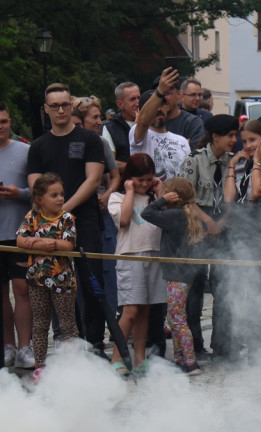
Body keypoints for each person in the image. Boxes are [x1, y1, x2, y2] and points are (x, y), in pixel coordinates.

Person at [27, 83, 108, 356]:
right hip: (50, 226)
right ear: (46, 109)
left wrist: (65, 211)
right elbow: (35, 185)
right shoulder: (38, 146)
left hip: (84, 220)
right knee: (60, 286)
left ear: (71, 106)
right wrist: (54, 216)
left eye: (65, 105)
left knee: (92, 283)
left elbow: (93, 180)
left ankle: (95, 343)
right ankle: (71, 342)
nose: (61, 110)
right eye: (55, 106)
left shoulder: (90, 139)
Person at [180, 113, 239, 360]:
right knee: (194, 289)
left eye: (235, 135)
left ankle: (222, 344)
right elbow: (185, 198)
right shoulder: (194, 161)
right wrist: (208, 223)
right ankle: (195, 345)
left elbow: (235, 198)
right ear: (215, 136)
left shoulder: (232, 163)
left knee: (223, 286)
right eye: (230, 135)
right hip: (197, 226)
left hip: (223, 227)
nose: (234, 140)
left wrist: (221, 223)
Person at [223, 119, 261, 363]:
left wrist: (256, 162)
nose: (248, 146)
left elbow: (257, 192)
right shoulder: (239, 164)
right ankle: (239, 344)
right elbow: (229, 198)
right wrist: (231, 165)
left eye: (253, 140)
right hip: (241, 231)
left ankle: (259, 346)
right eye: (244, 141)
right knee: (240, 289)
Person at [15, 173, 78, 382]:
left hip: (62, 281)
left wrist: (42, 242)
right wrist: (42, 243)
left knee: (68, 324)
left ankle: (75, 367)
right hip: (37, 280)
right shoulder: (32, 216)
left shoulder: (66, 218)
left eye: (61, 194)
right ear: (40, 199)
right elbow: (20, 239)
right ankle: (40, 365)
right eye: (54, 195)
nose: (60, 199)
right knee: (40, 324)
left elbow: (68, 245)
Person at [106, 153, 165, 375]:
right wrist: (130, 191)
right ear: (130, 178)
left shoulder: (155, 197)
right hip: (130, 255)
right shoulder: (117, 197)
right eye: (140, 180)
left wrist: (160, 192)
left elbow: (167, 218)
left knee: (145, 310)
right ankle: (117, 357)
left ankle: (140, 357)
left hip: (154, 255)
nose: (145, 184)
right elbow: (123, 220)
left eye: (149, 179)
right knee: (130, 311)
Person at [140, 178, 205, 375]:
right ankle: (179, 358)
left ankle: (190, 362)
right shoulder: (186, 213)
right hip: (184, 274)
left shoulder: (174, 215)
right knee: (175, 318)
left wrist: (162, 200)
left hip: (177, 275)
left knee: (177, 320)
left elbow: (146, 213)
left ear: (173, 196)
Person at [74, 94, 122, 317]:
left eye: (99, 117)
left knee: (107, 268)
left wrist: (108, 195)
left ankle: (111, 319)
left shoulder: (102, 142)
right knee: (80, 272)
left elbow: (115, 177)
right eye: (94, 117)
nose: (99, 121)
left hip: (101, 211)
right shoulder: (73, 143)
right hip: (78, 211)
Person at [0, 101, 33, 369]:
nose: (0, 127)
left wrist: (19, 193)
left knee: (22, 289)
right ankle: (7, 345)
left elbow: (40, 190)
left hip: (20, 233)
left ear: (10, 122)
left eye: (3, 122)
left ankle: (25, 346)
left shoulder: (25, 150)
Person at [130, 72, 191, 181]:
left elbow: (189, 174)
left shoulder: (182, 141)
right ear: (142, 111)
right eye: (154, 107)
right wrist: (160, 91)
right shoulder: (137, 135)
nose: (158, 109)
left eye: (162, 104)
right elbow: (143, 122)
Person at [102, 82, 141, 166]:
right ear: (120, 104)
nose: (137, 103)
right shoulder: (110, 128)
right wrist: (137, 169)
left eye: (139, 98)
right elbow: (110, 162)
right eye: (132, 99)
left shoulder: (150, 123)